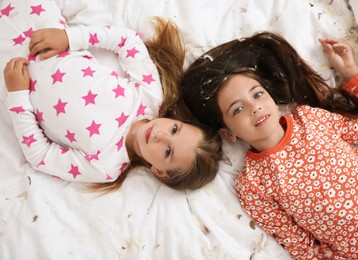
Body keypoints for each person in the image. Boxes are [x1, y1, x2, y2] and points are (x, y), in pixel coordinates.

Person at [181, 32, 358, 258]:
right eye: (237, 110)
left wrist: (350, 71)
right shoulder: (252, 184)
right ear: (228, 133)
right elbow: (302, 247)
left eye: (258, 94)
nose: (255, 108)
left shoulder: (311, 120)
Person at [2, 0, 222, 191]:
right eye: (175, 129)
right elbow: (128, 42)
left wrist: (18, 95)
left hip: (8, 72)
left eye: (167, 151)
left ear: (160, 172)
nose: (161, 135)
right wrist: (70, 38)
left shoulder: (105, 167)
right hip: (43, 29)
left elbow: (41, 156)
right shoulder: (150, 97)